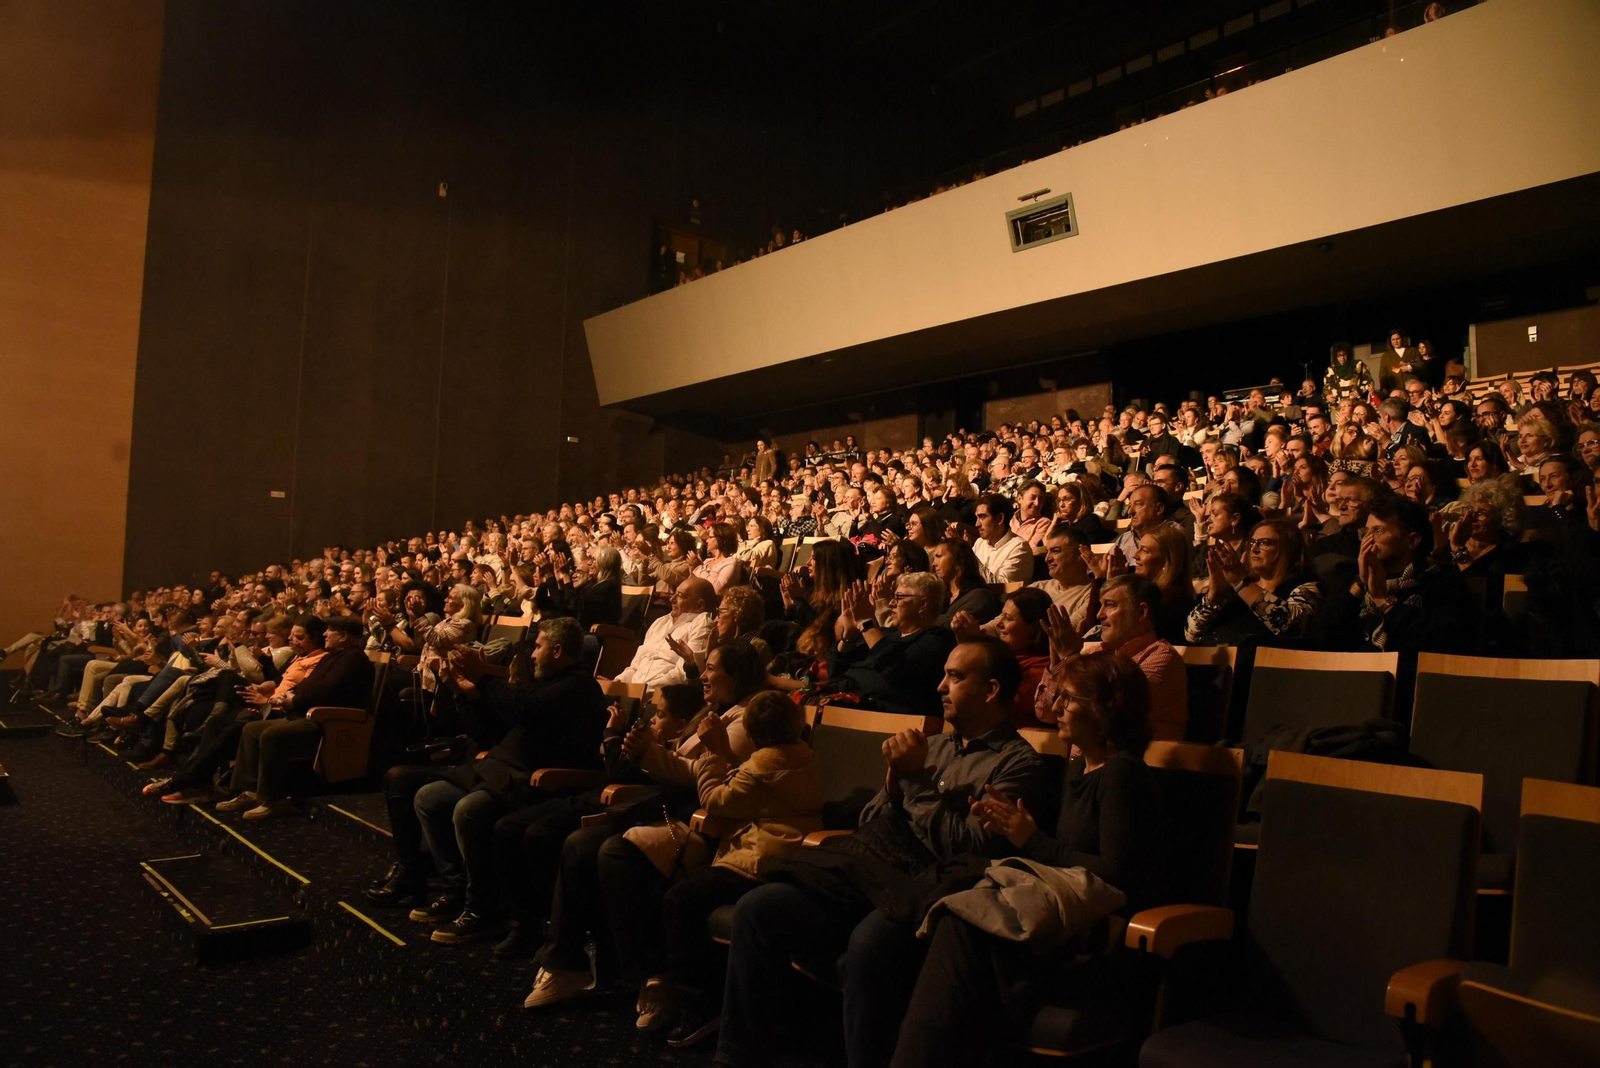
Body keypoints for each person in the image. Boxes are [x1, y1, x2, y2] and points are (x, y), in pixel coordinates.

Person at [714, 638, 1054, 1068]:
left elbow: (970, 849)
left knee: (870, 943)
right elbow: (871, 819)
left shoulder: (1017, 765)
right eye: (944, 674)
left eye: (955, 676)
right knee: (759, 907)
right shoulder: (933, 745)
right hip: (873, 872)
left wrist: (914, 781)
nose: (940, 687)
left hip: (932, 894)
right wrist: (896, 783)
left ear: (990, 690)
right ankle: (739, 1056)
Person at [889, 652, 1166, 1068]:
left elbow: (1117, 874)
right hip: (1058, 920)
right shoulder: (1082, 771)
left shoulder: (1122, 774)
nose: (1056, 707)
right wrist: (1013, 830)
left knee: (963, 923)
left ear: (1106, 708)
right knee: (959, 918)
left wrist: (1029, 838)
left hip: (1094, 939)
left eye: (1068, 698)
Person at [522, 642, 767, 1004]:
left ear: (737, 676)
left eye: (712, 668)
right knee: (578, 844)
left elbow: (708, 776)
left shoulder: (744, 720)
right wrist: (647, 749)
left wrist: (650, 752)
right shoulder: (714, 711)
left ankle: (645, 975)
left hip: (701, 821)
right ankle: (566, 963)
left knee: (609, 850)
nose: (703, 675)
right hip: (665, 806)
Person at [622, 691, 822, 1046]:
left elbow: (715, 798)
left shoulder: (763, 769)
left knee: (679, 900)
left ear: (757, 738)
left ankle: (698, 1004)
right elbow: (741, 782)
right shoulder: (799, 758)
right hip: (782, 856)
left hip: (760, 861)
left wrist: (713, 750)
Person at [406, 617, 608, 943]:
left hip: (539, 780)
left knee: (468, 810)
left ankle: (481, 909)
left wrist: (484, 676)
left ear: (557, 650)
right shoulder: (544, 681)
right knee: (428, 797)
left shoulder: (579, 685)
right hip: (501, 770)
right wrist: (465, 691)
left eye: (538, 646)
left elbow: (523, 708)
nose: (532, 654)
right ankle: (455, 889)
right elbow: (497, 726)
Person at [214, 615, 374, 819]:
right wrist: (288, 696)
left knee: (271, 735)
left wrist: (295, 700)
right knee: (251, 729)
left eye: (329, 631)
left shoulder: (353, 658)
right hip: (307, 714)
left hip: (329, 721)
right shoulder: (331, 657)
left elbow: (327, 690)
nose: (324, 634)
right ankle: (249, 792)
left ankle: (273, 799)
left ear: (342, 636)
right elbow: (310, 686)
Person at [1044, 574, 1187, 742]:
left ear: (1141, 612)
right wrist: (1057, 664)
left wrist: (1069, 657)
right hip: (1086, 763)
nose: (1099, 614)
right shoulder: (1096, 654)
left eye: (1109, 605)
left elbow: (1107, 712)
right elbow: (1046, 713)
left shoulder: (1162, 658)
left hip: (1135, 764)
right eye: (1100, 605)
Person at [1355, 496, 1481, 653]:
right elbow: (1323, 637)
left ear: (1412, 541)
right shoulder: (1358, 582)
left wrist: (1382, 600)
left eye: (1378, 530)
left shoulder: (1445, 585)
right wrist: (1361, 583)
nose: (1368, 540)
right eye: (1366, 532)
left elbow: (1438, 642)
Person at [829, 572, 956, 719]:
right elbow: (834, 670)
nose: (891, 603)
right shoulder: (886, 634)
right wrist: (848, 638)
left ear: (922, 604)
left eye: (899, 597)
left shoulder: (937, 641)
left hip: (879, 720)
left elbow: (896, 671)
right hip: (841, 703)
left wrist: (866, 622)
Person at [1186, 519, 1322, 647]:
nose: (1254, 549)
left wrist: (1240, 582)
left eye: (1264, 542)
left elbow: (1291, 627)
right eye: (1252, 542)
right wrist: (1214, 595)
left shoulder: (1307, 587)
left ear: (1288, 548)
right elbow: (1191, 634)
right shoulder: (1238, 587)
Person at [951, 587, 1053, 727]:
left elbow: (998, 708)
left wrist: (976, 647)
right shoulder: (1002, 655)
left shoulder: (1041, 669)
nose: (999, 624)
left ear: (1034, 628)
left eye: (1009, 618)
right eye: (1001, 615)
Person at [614, 577, 715, 687]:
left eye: (680, 595)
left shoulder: (701, 624)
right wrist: (620, 681)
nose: (672, 599)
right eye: (675, 593)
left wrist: (642, 689)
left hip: (659, 697)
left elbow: (683, 676)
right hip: (634, 691)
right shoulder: (660, 622)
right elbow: (635, 666)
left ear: (699, 605)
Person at [966, 494, 1032, 583]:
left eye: (982, 517)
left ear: (1000, 519)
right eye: (977, 517)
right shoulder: (980, 542)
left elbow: (1001, 587)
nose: (977, 524)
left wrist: (967, 553)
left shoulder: (1019, 548)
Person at [932, 538, 1001, 624]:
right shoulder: (941, 594)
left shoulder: (979, 597)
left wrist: (927, 619)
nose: (934, 564)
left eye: (938, 556)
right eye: (934, 558)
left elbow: (952, 627)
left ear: (958, 560)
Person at [693, 522, 744, 594]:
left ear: (720, 539)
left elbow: (717, 588)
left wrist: (698, 567)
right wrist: (691, 566)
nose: (707, 540)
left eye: (710, 537)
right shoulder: (708, 561)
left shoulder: (730, 562)